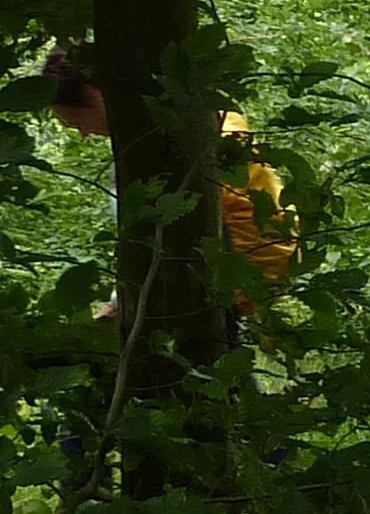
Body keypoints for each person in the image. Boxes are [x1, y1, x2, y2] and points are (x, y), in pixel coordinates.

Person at [41, 49, 297, 316]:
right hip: (256, 262)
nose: (83, 133)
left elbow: (171, 237)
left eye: (76, 121)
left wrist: (124, 305)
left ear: (95, 95)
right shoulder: (204, 114)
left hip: (238, 275)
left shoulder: (181, 145)